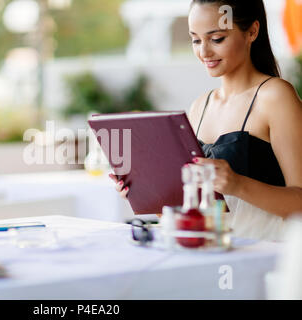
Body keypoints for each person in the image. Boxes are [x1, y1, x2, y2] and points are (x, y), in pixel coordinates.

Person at [110, 0, 302, 241]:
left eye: (217, 39)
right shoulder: (200, 107)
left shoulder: (275, 96)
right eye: (196, 40)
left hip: (266, 256)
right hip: (211, 253)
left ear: (252, 31)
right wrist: (145, 190)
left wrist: (237, 184)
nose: (204, 52)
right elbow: (193, 214)